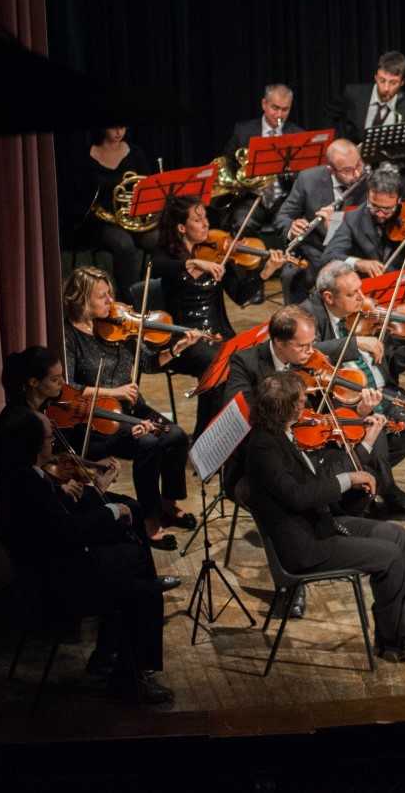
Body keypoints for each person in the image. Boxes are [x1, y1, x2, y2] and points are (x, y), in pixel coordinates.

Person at [243, 371, 405, 661]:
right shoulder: (264, 447)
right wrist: (347, 479)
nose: (306, 403)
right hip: (305, 545)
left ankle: (401, 637)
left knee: (399, 536)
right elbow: (298, 496)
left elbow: (315, 478)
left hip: (318, 524)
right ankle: (403, 639)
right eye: (300, 401)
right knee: (391, 556)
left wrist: (360, 456)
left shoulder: (282, 433)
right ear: (288, 408)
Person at [0, 406, 173, 703]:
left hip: (50, 569)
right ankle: (129, 679)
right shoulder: (28, 483)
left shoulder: (18, 475)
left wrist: (73, 498)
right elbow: (68, 531)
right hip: (53, 586)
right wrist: (111, 511)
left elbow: (54, 522)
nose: (52, 444)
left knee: (131, 559)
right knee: (140, 583)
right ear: (31, 444)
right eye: (48, 439)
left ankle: (111, 660)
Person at [221, 305, 405, 518]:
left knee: (369, 429)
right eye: (303, 346)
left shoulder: (310, 357)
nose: (311, 351)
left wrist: (360, 411)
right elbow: (243, 411)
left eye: (312, 343)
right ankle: (331, 519)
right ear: (279, 343)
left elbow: (334, 401)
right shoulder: (245, 362)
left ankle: (371, 500)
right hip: (277, 448)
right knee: (349, 471)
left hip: (313, 436)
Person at [3, 345, 181, 552]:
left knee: (133, 509)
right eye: (55, 379)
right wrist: (60, 488)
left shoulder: (47, 406)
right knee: (127, 513)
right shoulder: (20, 419)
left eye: (62, 377)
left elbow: (65, 453)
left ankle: (140, 576)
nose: (63, 384)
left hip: (59, 492)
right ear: (33, 382)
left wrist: (94, 465)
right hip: (51, 506)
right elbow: (23, 472)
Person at [61, 267, 197, 537]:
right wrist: (115, 393)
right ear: (82, 300)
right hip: (99, 418)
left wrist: (174, 350)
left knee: (177, 436)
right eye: (102, 297)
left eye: (110, 294)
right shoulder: (70, 336)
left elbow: (147, 361)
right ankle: (149, 517)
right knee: (148, 444)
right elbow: (68, 388)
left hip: (132, 409)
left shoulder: (117, 327)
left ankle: (168, 503)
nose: (111, 301)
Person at [150, 194, 287, 436]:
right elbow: (159, 265)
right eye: (198, 219)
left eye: (205, 218)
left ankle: (248, 430)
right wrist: (194, 264)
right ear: (182, 227)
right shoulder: (167, 256)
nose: (206, 224)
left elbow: (241, 295)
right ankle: (206, 435)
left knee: (255, 361)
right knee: (217, 366)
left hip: (219, 333)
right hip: (185, 340)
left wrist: (266, 271)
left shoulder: (216, 252)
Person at [301, 260, 405, 470]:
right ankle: (376, 481)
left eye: (360, 289)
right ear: (329, 297)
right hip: (345, 397)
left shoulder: (364, 315)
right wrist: (354, 343)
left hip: (380, 389)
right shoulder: (307, 315)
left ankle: (372, 472)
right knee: (373, 430)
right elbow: (306, 353)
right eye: (352, 294)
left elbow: (392, 362)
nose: (362, 298)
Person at [322, 164, 405, 314]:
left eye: (387, 209)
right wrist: (358, 263)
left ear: (399, 200)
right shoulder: (352, 219)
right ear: (368, 195)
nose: (380, 214)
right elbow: (329, 256)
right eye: (374, 207)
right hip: (370, 299)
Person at [328, 50, 405, 199]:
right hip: (360, 172)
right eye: (382, 80)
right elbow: (333, 120)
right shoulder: (354, 95)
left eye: (393, 83)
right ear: (375, 76)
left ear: (402, 82)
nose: (386, 88)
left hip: (396, 173)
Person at [276, 138, 369, 303]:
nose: (356, 174)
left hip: (354, 251)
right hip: (316, 251)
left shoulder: (368, 180)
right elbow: (283, 216)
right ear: (331, 170)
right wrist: (292, 227)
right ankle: (298, 323)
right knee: (291, 274)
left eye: (358, 166)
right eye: (347, 170)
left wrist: (335, 225)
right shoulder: (308, 179)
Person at [66, 126, 155, 294]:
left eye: (122, 127)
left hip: (132, 218)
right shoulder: (86, 156)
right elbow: (79, 195)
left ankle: (157, 293)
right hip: (101, 222)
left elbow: (148, 188)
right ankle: (131, 300)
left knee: (157, 239)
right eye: (114, 127)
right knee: (124, 245)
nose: (119, 132)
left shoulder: (135, 154)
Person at [220, 83, 305, 233]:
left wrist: (291, 172)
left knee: (294, 227)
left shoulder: (297, 134)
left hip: (284, 199)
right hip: (252, 198)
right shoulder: (243, 131)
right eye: (275, 108)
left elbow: (305, 177)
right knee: (242, 224)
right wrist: (240, 181)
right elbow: (227, 164)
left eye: (285, 110)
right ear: (264, 104)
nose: (279, 115)